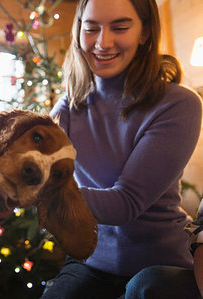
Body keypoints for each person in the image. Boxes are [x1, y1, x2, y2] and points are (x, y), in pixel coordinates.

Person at [41, 0, 202, 298]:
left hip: (159, 266)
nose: (102, 43)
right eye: (91, 28)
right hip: (90, 260)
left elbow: (125, 204)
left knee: (145, 288)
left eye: (120, 27)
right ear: (79, 32)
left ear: (145, 32)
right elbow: (35, 162)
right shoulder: (68, 105)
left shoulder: (179, 104)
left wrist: (32, 190)